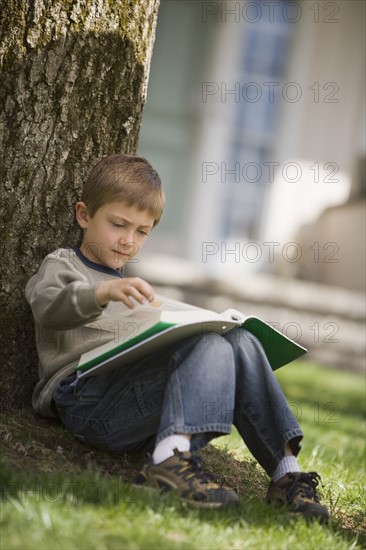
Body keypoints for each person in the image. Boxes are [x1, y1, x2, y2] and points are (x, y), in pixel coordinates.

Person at [25, 153, 329, 520]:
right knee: (211, 343)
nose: (128, 241)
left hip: (138, 409)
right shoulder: (63, 264)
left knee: (240, 339)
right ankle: (169, 462)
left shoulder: (130, 285)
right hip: (87, 403)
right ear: (84, 215)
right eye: (118, 224)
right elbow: (48, 307)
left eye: (141, 231)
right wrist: (99, 295)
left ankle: (287, 474)